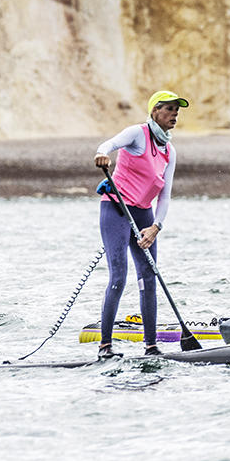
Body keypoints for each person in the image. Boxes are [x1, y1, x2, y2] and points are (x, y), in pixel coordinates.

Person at [93, 89, 187, 357]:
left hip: (145, 214)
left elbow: (165, 196)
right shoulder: (137, 133)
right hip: (116, 208)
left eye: (177, 110)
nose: (175, 114)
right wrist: (102, 154)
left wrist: (156, 227)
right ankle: (105, 346)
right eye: (169, 108)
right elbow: (109, 144)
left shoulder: (170, 151)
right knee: (119, 275)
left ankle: (151, 346)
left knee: (148, 276)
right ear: (155, 111)